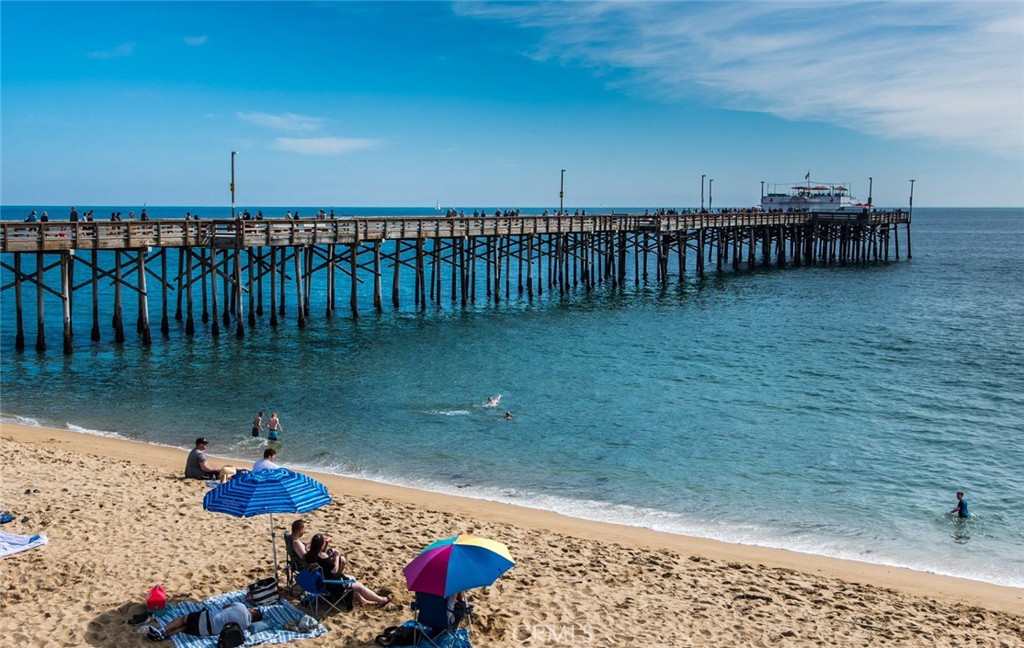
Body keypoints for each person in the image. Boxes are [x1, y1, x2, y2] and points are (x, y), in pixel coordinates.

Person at [303, 533, 390, 606]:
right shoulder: (322, 556)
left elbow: (323, 558)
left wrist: (325, 545)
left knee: (352, 578)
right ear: (320, 545)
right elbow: (335, 570)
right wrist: (337, 556)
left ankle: (362, 600)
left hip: (317, 582)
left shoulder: (309, 555)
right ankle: (381, 600)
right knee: (359, 586)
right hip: (329, 584)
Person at [147, 601, 262, 641]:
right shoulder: (246, 625)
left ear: (252, 611)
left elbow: (225, 607)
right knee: (185, 627)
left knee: (184, 619)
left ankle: (162, 630)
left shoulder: (241, 607)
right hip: (207, 632)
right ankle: (164, 636)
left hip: (207, 619)